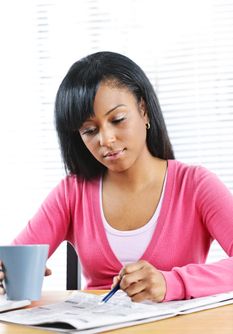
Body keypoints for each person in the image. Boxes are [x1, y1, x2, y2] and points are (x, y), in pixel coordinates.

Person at [0, 51, 233, 303]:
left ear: (143, 110)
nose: (106, 140)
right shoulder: (72, 192)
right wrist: (6, 275)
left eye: (118, 119)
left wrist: (171, 282)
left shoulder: (195, 185)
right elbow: (13, 261)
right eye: (89, 130)